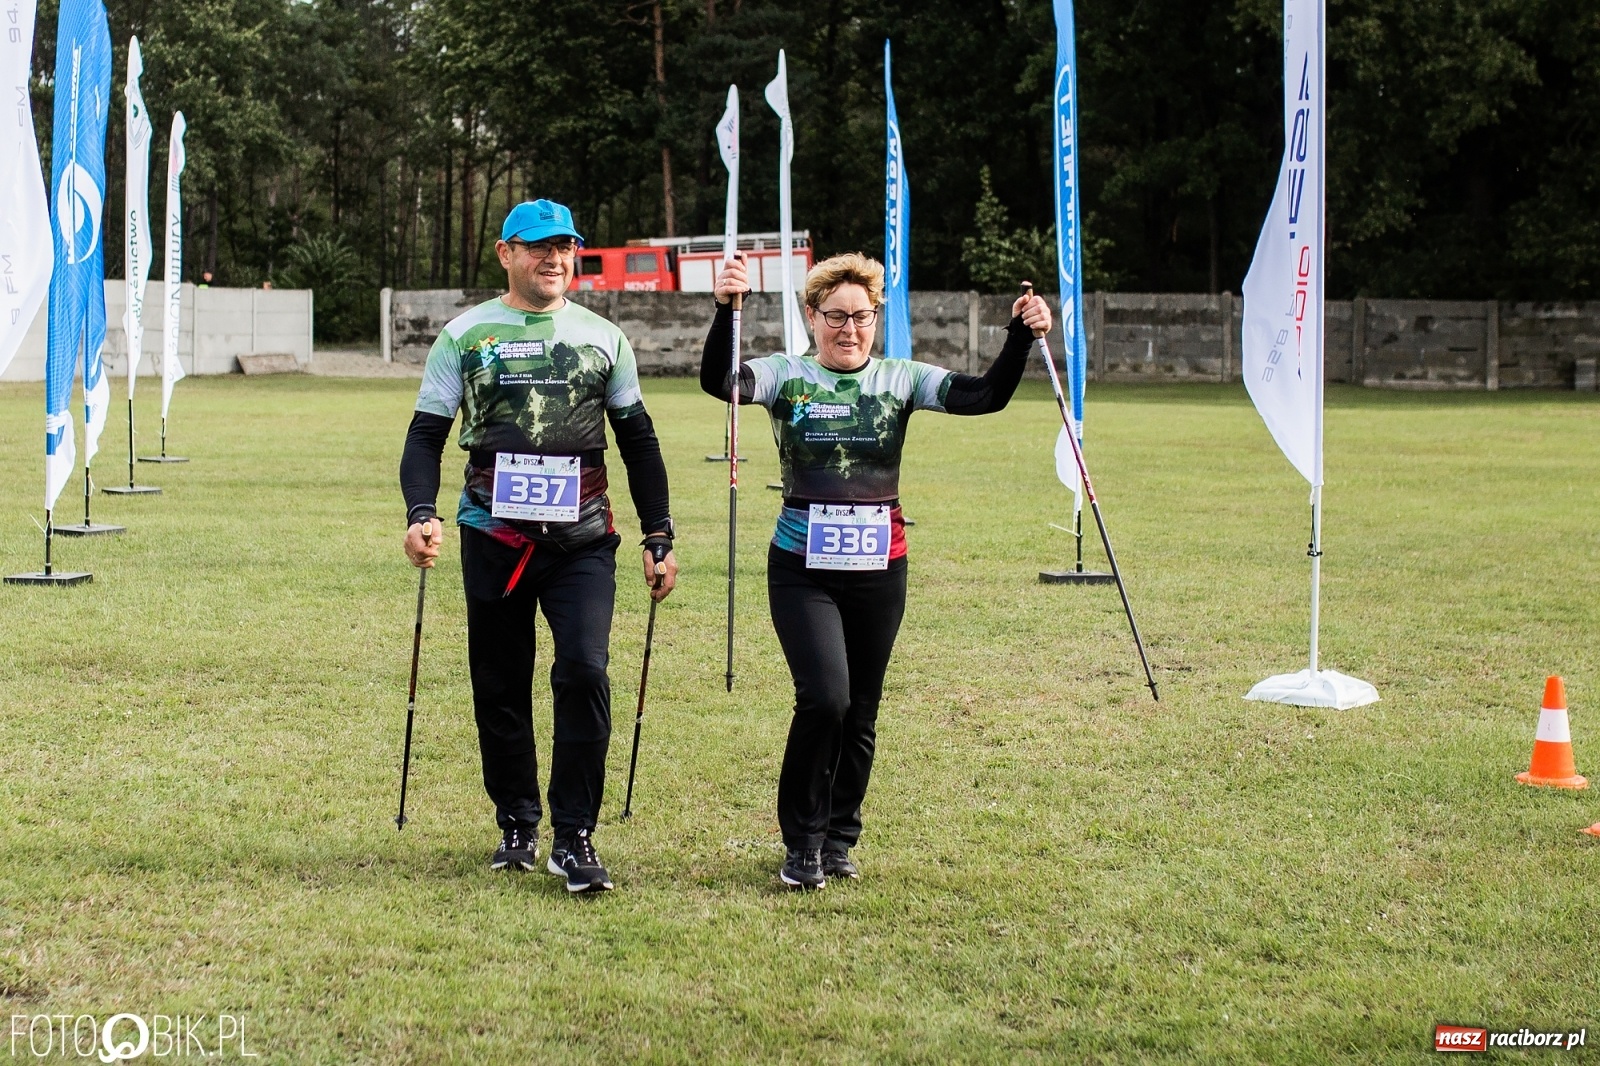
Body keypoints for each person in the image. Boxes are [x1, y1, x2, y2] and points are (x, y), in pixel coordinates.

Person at [701, 252, 1050, 889]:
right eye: (835, 316)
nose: (849, 329)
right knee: (825, 698)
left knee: (861, 709)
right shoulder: (787, 374)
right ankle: (801, 842)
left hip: (880, 568)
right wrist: (726, 309)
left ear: (875, 319)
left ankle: (839, 838)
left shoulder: (899, 378)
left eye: (862, 317)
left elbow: (984, 397)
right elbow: (721, 382)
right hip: (802, 567)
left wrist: (1020, 335)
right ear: (812, 315)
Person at [400, 198, 678, 893]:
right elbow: (426, 434)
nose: (553, 259)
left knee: (584, 670)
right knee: (499, 682)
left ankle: (574, 835)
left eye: (565, 247)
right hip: (491, 534)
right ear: (506, 253)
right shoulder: (464, 336)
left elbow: (638, 442)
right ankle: (517, 821)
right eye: (537, 247)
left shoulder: (603, 338)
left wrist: (659, 533)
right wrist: (419, 512)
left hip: (582, 540)